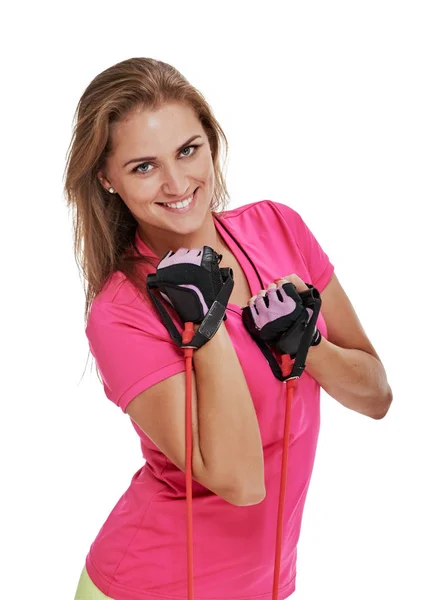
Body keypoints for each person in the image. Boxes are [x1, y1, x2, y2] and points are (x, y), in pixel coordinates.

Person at [65, 57, 393, 600]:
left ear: (211, 141)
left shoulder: (278, 227)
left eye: (188, 150)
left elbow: (377, 395)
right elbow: (240, 482)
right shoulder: (121, 311)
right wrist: (208, 328)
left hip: (265, 586)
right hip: (152, 586)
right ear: (107, 179)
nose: (177, 183)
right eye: (143, 167)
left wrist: (308, 346)